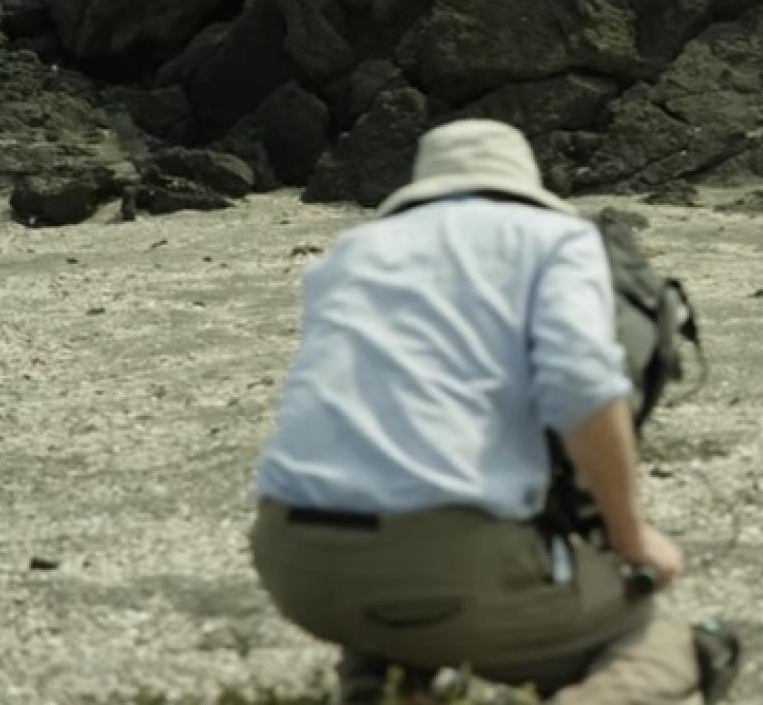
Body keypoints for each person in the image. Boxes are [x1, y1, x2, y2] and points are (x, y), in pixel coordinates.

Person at [246, 118, 737, 704]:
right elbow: (582, 385)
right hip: (442, 568)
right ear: (524, 183)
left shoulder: (354, 252)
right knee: (657, 638)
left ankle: (378, 679)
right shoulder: (555, 240)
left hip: (292, 563)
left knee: (399, 609)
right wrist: (632, 538)